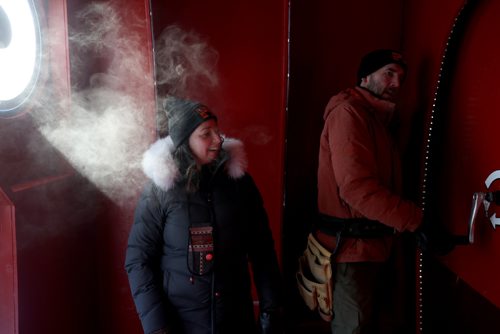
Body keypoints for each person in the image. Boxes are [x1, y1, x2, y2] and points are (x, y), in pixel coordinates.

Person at [125, 96, 282, 334]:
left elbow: (263, 250)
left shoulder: (239, 184)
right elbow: (138, 260)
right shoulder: (160, 191)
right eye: (205, 133)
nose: (218, 139)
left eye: (217, 131)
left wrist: (271, 310)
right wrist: (157, 327)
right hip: (182, 324)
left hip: (236, 321)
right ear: (184, 141)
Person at [314, 49, 423, 334]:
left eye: (401, 77)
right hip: (352, 250)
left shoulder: (378, 120)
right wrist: (416, 220)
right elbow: (356, 189)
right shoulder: (349, 113)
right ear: (365, 76)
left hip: (375, 247)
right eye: (389, 73)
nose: (396, 84)